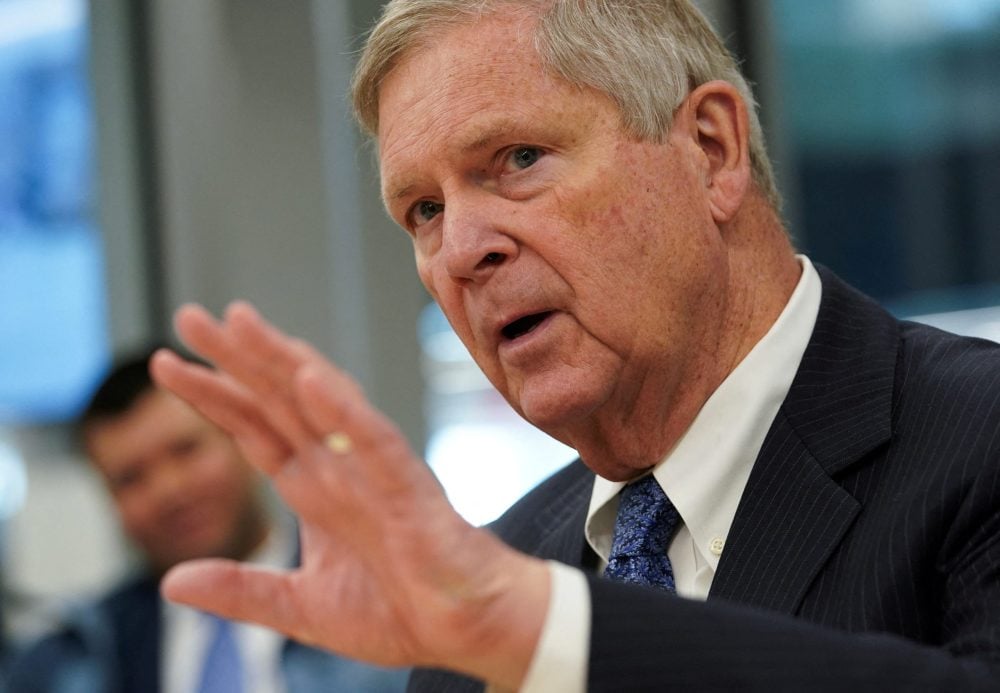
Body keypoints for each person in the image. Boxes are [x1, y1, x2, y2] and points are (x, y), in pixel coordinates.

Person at [147, 1, 1000, 690]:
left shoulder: (978, 438)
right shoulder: (485, 596)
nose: (460, 252)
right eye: (424, 211)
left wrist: (545, 632)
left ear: (711, 149)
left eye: (518, 158)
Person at [5, 349, 409, 692]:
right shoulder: (82, 653)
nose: (169, 491)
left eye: (186, 450)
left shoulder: (377, 602)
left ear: (242, 438)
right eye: (130, 478)